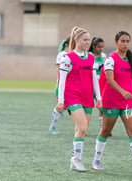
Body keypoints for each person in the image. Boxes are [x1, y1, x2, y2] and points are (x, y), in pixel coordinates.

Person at [92, 31, 132, 173]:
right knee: (106, 131)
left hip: (128, 102)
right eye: (123, 41)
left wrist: (127, 94)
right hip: (111, 101)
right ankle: (96, 160)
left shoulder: (130, 59)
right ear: (116, 42)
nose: (125, 44)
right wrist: (122, 92)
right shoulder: (110, 59)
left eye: (127, 41)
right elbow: (109, 79)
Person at [57, 26, 102, 172]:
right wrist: (61, 100)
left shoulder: (91, 58)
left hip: (87, 97)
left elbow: (95, 79)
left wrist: (99, 98)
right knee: (82, 128)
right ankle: (76, 160)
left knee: (80, 130)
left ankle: (75, 161)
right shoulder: (67, 58)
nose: (88, 42)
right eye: (85, 40)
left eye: (89, 40)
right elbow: (61, 81)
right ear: (76, 40)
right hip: (72, 96)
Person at [49, 37, 70, 134]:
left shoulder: (79, 55)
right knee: (60, 107)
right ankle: (52, 126)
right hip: (63, 84)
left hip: (75, 86)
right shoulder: (62, 55)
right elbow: (60, 71)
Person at [88, 37, 107, 128]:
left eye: (103, 47)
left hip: (100, 85)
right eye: (99, 47)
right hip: (89, 85)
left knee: (102, 106)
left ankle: (102, 127)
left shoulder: (103, 56)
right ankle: (81, 128)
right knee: (86, 108)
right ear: (94, 47)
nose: (101, 49)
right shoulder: (88, 55)